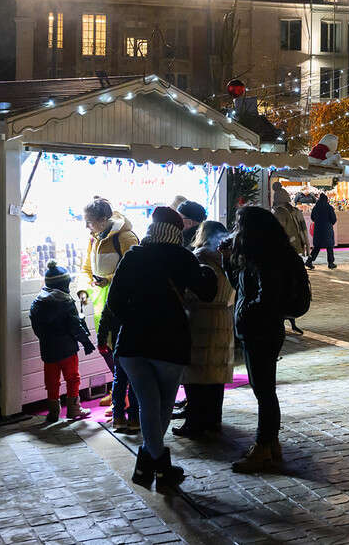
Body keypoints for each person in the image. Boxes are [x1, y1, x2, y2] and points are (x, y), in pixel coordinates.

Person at [106, 207, 217, 490]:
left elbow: (114, 302)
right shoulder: (183, 257)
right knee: (162, 406)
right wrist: (207, 271)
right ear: (177, 231)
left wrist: (135, 319)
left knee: (147, 404)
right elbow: (207, 292)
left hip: (133, 343)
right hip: (170, 342)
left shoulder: (133, 256)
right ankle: (159, 466)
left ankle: (148, 462)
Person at [221, 206, 292, 473]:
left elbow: (267, 296)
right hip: (260, 329)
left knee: (264, 391)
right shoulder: (259, 254)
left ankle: (263, 447)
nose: (236, 230)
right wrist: (229, 262)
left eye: (239, 225)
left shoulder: (265, 258)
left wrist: (249, 313)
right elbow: (240, 288)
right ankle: (270, 444)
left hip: (261, 331)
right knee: (264, 390)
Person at [173, 221, 235, 439]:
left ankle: (195, 422)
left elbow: (191, 289)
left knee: (196, 375)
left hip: (199, 318)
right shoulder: (229, 258)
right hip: (224, 317)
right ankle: (213, 420)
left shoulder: (199, 258)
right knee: (216, 376)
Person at [82, 197, 139, 428]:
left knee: (121, 350)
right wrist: (84, 291)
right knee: (106, 347)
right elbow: (86, 267)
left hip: (121, 303)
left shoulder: (125, 237)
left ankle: (124, 398)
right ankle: (120, 392)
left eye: (90, 222)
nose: (87, 227)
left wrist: (107, 280)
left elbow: (135, 270)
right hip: (100, 304)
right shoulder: (94, 238)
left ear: (104, 220)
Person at [30, 261, 96, 423]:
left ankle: (53, 412)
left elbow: (36, 327)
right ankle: (73, 409)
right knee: (73, 378)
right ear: (64, 284)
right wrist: (86, 342)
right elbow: (75, 326)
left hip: (48, 350)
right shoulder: (66, 302)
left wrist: (45, 339)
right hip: (67, 350)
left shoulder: (37, 302)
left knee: (52, 381)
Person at [272, 183, 311, 256]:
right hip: (295, 242)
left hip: (287, 244)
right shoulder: (295, 211)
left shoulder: (280, 213)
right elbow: (303, 230)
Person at [306, 193, 338, 270]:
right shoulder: (329, 207)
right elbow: (334, 219)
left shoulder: (315, 207)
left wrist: (318, 222)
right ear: (326, 200)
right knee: (329, 246)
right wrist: (329, 223)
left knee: (317, 247)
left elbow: (312, 217)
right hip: (327, 229)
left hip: (318, 229)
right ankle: (331, 263)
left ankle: (309, 261)